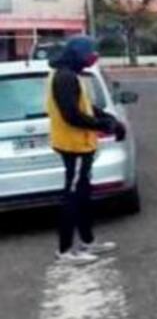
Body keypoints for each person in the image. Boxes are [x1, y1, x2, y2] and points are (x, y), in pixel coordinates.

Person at [46, 35, 126, 266]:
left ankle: (87, 241)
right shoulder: (64, 77)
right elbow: (72, 115)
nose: (93, 57)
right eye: (90, 52)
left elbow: (85, 107)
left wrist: (108, 118)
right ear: (78, 54)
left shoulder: (70, 75)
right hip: (74, 146)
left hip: (82, 144)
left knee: (83, 195)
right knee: (72, 197)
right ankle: (65, 251)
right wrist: (104, 125)